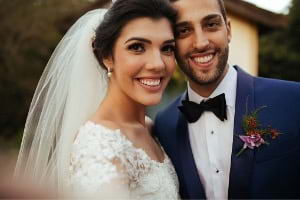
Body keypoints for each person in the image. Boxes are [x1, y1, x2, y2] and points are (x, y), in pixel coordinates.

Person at [14, 0, 180, 198]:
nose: (157, 64)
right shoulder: (99, 148)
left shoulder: (149, 128)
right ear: (106, 56)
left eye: (167, 48)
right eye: (137, 47)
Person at [154, 0, 300, 199]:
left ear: (228, 30)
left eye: (211, 25)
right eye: (183, 31)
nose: (201, 43)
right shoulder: (164, 124)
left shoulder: (293, 100)